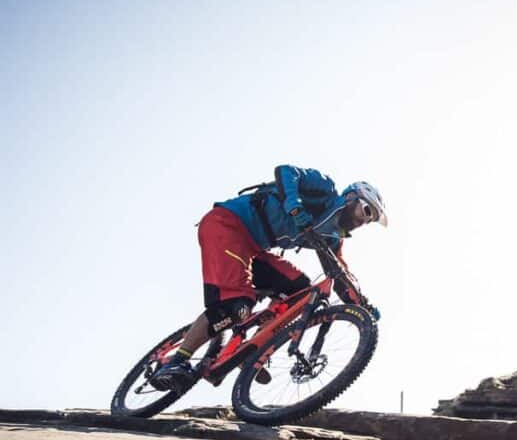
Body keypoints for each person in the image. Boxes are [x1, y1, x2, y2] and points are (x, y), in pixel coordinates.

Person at [150, 165, 387, 392]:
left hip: (254, 247)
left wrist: (361, 304)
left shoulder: (332, 237)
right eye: (367, 211)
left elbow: (338, 273)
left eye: (370, 221)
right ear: (352, 197)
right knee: (235, 306)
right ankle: (176, 361)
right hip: (227, 224)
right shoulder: (324, 189)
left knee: (300, 292)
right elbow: (286, 171)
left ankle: (251, 352)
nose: (364, 222)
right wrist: (294, 205)